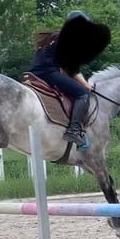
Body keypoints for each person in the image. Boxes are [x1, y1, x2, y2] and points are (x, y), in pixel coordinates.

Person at [28, 11, 110, 151]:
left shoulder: (55, 36)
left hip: (37, 72)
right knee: (83, 94)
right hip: (48, 72)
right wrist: (85, 85)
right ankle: (73, 131)